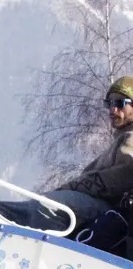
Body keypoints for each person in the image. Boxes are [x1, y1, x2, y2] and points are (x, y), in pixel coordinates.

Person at [44, 77, 133, 233]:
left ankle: (6, 219)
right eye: (109, 103)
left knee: (49, 205)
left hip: (113, 215)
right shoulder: (118, 142)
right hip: (100, 214)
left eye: (119, 103)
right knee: (47, 203)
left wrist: (70, 188)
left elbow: (123, 176)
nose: (112, 110)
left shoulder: (131, 139)